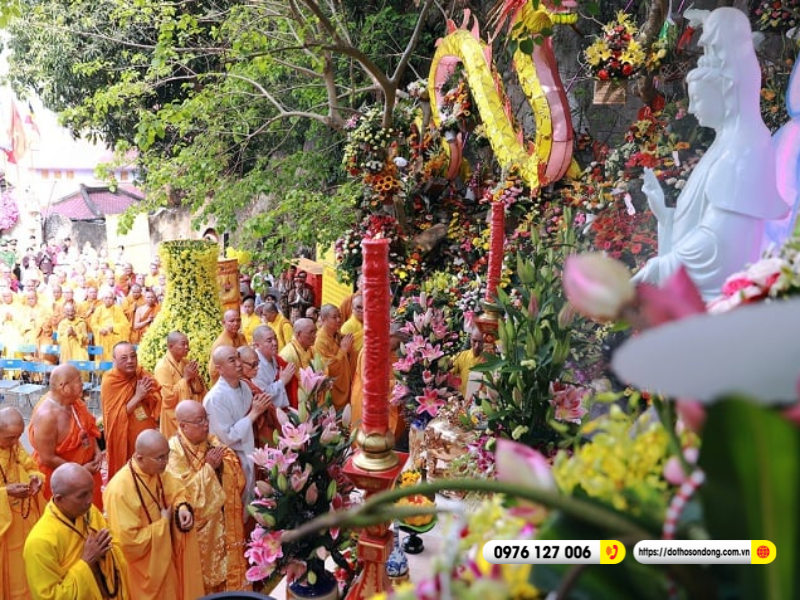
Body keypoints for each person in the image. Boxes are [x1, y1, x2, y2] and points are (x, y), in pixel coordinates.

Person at [632, 7, 789, 300]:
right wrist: (666, 215)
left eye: (698, 100)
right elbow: (705, 225)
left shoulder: (744, 147)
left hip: (722, 305)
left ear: (725, 92)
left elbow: (722, 247)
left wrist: (661, 268)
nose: (691, 110)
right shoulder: (725, 142)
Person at [103, 430, 204, 600]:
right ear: (140, 458)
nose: (165, 463)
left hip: (164, 556)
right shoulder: (119, 490)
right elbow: (128, 541)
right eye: (160, 458)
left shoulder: (157, 471)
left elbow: (177, 491)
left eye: (167, 456)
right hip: (143, 569)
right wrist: (163, 523)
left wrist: (182, 509)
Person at [167, 400, 249, 593]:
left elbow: (233, 467)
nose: (205, 425)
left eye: (206, 419)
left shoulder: (210, 440)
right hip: (199, 531)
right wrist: (209, 469)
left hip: (222, 521)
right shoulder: (173, 453)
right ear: (183, 426)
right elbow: (182, 496)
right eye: (199, 421)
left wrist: (222, 465)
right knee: (202, 580)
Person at [24, 463, 130, 600]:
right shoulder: (40, 542)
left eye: (91, 492)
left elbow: (113, 544)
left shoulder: (89, 512)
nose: (90, 500)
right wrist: (86, 562)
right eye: (82, 496)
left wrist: (106, 554)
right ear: (59, 499)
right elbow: (49, 596)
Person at [204, 345, 273, 505]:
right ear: (219, 369)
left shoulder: (245, 387)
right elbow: (227, 437)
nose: (239, 364)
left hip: (250, 452)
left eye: (238, 358)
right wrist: (254, 413)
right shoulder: (215, 398)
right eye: (232, 360)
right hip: (233, 461)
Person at [28, 365, 104, 509]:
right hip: (63, 480)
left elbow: (87, 428)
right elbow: (47, 458)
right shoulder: (47, 416)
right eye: (79, 380)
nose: (83, 383)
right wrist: (80, 470)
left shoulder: (75, 402)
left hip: (87, 471)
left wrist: (97, 450)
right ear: (64, 387)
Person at [0, 407, 45, 600]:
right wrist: (6, 492)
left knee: (25, 568)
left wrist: (36, 478)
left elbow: (30, 466)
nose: (15, 442)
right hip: (4, 527)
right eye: (10, 437)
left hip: (22, 520)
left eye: (18, 436)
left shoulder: (14, 445)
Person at [101, 342, 161, 480]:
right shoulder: (110, 381)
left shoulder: (141, 373)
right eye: (124, 358)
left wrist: (148, 395)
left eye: (133, 356)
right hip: (125, 439)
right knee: (129, 476)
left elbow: (156, 397)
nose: (130, 361)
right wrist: (138, 396)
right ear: (114, 360)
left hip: (146, 436)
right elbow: (114, 417)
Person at [153, 331, 207, 439]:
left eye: (187, 344)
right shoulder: (162, 367)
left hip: (191, 412)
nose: (187, 347)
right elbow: (168, 398)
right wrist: (186, 378)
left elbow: (198, 389)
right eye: (183, 344)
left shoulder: (185, 362)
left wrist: (196, 378)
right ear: (171, 346)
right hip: (172, 416)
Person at [238, 344, 282, 447]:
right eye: (253, 364)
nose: (257, 368)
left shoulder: (248, 383)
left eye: (258, 363)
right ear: (239, 364)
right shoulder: (243, 387)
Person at [314, 304, 355, 411]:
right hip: (333, 388)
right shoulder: (320, 340)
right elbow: (327, 368)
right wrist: (343, 351)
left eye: (339, 316)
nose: (339, 320)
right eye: (334, 317)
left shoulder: (336, 334)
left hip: (344, 382)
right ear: (323, 319)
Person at [251, 325, 295, 409]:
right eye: (269, 340)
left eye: (275, 338)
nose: (275, 343)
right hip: (270, 412)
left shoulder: (275, 358)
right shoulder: (255, 366)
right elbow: (263, 395)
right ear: (257, 345)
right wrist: (282, 381)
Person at [279, 317, 318, 408]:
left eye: (315, 332)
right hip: (298, 401)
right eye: (311, 332)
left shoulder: (311, 349)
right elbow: (287, 385)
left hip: (313, 396)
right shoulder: (288, 354)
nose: (314, 336)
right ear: (298, 334)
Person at [207, 309, 247, 383]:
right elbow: (213, 371)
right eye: (231, 321)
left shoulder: (241, 337)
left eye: (238, 320)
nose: (236, 324)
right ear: (223, 323)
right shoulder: (220, 343)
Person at [90, 289, 131, 360]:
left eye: (110, 298)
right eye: (106, 298)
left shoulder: (118, 309)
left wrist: (114, 328)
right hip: (102, 338)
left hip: (114, 338)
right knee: (102, 360)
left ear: (113, 299)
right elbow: (93, 324)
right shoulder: (98, 309)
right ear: (103, 299)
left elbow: (125, 325)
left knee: (114, 358)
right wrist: (100, 329)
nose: (108, 300)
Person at [451, 330, 487, 398]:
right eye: (474, 341)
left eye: (480, 342)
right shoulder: (462, 355)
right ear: (470, 339)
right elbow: (449, 372)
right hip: (461, 402)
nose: (477, 346)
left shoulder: (489, 360)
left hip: (479, 402)